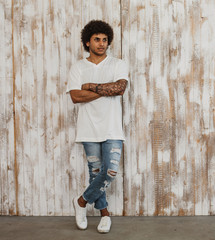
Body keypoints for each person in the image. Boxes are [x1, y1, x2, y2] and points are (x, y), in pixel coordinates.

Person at [66, 20, 129, 233]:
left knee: (109, 171)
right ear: (87, 41)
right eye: (97, 39)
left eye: (105, 40)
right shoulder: (78, 67)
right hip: (88, 128)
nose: (102, 44)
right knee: (95, 174)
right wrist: (105, 89)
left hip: (112, 128)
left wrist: (91, 87)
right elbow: (75, 96)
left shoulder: (117, 64)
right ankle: (105, 215)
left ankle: (82, 202)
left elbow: (120, 88)